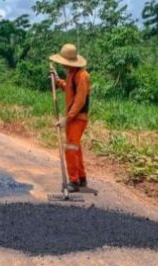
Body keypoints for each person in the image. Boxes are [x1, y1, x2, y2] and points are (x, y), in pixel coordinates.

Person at [49, 43, 91, 192]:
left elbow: (80, 101)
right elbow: (69, 88)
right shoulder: (72, 73)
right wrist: (58, 80)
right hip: (72, 118)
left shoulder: (82, 76)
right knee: (75, 147)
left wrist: (67, 119)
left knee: (71, 149)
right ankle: (81, 178)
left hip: (78, 118)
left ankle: (73, 181)